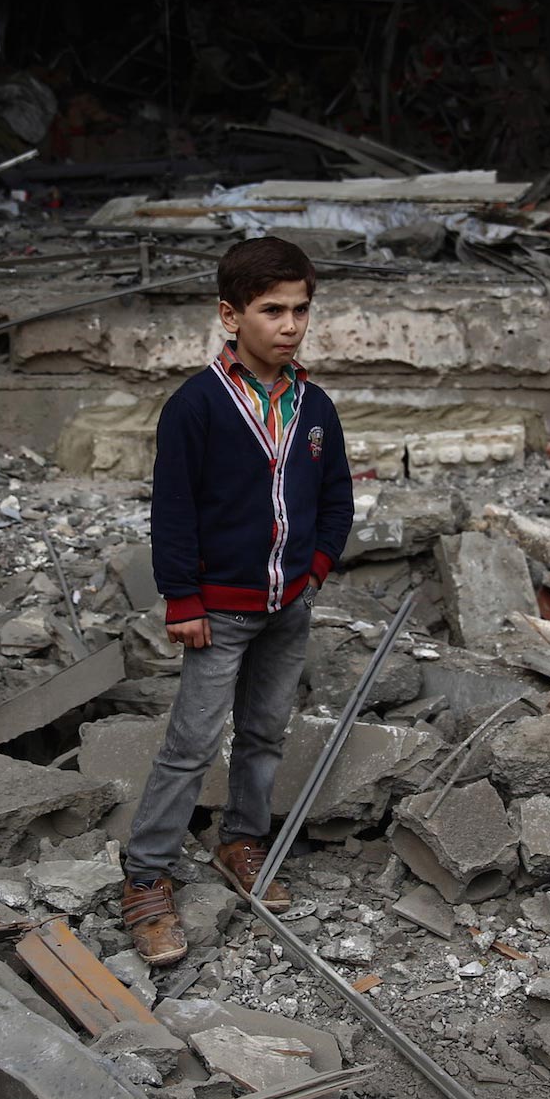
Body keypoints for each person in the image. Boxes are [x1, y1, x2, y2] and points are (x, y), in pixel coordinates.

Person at [122, 236, 353, 966]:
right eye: (270, 310)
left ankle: (243, 843)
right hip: (217, 613)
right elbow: (174, 510)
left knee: (264, 734)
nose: (289, 325)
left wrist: (313, 569)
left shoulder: (314, 406)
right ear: (230, 314)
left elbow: (337, 497)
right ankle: (146, 880)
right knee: (191, 745)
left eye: (300, 310)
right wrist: (183, 599)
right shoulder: (196, 407)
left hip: (289, 606)